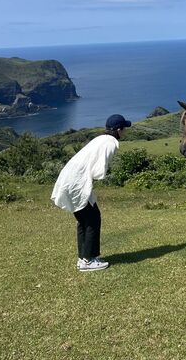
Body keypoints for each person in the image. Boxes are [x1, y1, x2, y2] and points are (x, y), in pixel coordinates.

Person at [51, 113, 131, 271]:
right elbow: (99, 170)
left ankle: (84, 258)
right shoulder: (111, 142)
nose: (125, 132)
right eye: (124, 129)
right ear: (118, 130)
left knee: (84, 219)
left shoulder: (100, 139)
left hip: (69, 180)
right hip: (78, 182)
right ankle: (88, 261)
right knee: (93, 219)